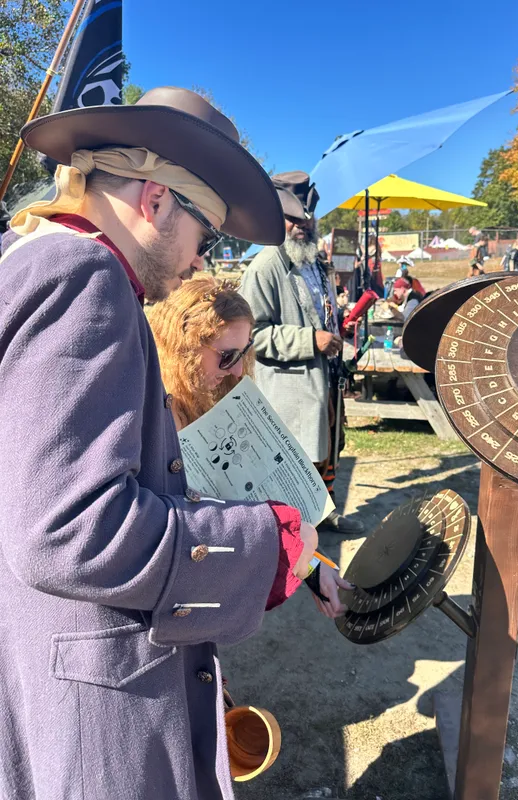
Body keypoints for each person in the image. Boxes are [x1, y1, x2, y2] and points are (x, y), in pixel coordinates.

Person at [0, 87, 323, 800]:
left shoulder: (24, 256)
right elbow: (68, 529)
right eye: (204, 238)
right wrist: (266, 542)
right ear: (154, 201)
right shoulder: (83, 276)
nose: (196, 266)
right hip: (95, 705)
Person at [146, 274, 349, 615]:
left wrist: (312, 565)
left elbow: (244, 497)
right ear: (182, 350)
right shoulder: (150, 414)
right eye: (226, 356)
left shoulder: (208, 399)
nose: (239, 370)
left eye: (243, 352)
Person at [241, 171, 364, 535]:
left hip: (323, 381)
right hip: (290, 389)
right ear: (275, 219)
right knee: (296, 461)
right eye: (294, 218)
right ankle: (294, 534)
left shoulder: (316, 263)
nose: (302, 225)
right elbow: (252, 335)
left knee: (328, 452)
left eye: (307, 217)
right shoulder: (264, 268)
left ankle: (323, 515)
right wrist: (311, 340)